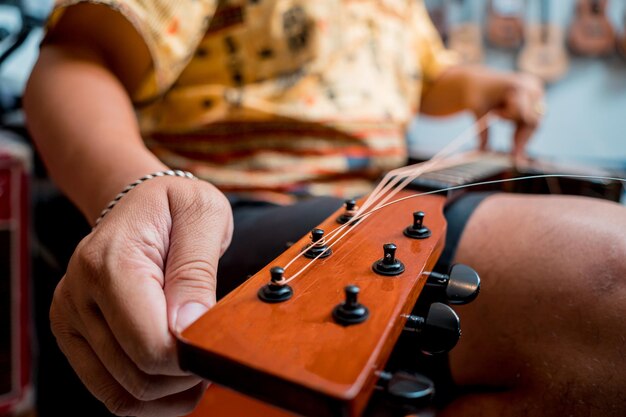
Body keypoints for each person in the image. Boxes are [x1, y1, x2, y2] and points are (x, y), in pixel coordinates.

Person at [23, 1, 625, 416]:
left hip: (377, 203)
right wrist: (133, 187)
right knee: (610, 275)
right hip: (236, 219)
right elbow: (75, 58)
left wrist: (489, 88)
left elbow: (427, 76)